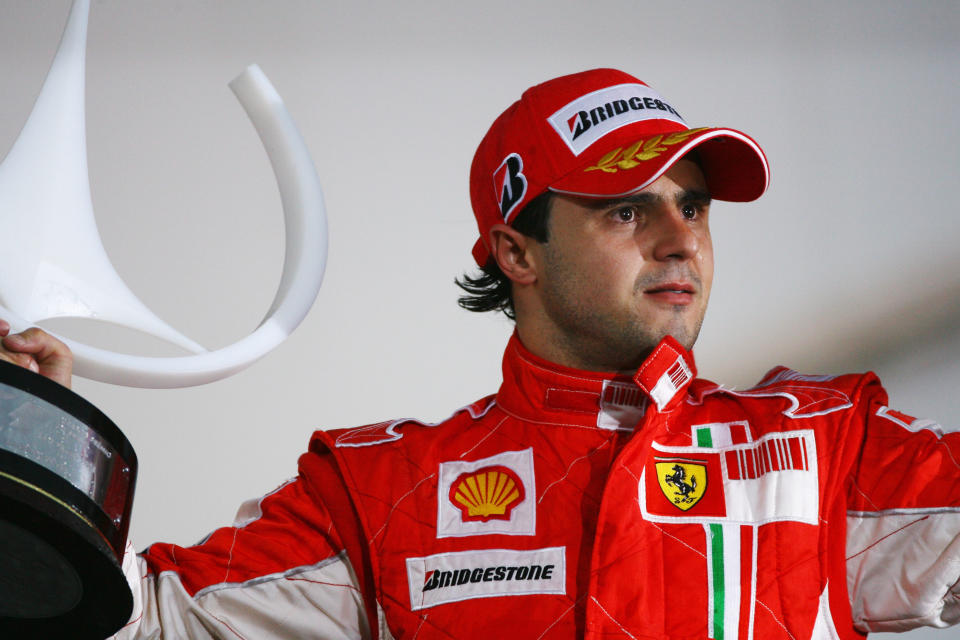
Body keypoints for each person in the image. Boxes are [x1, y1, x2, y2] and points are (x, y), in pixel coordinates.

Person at [2, 68, 958, 639]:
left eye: (694, 204)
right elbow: (138, 620)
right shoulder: (384, 493)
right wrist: (27, 433)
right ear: (516, 250)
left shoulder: (827, 447)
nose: (682, 240)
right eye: (627, 208)